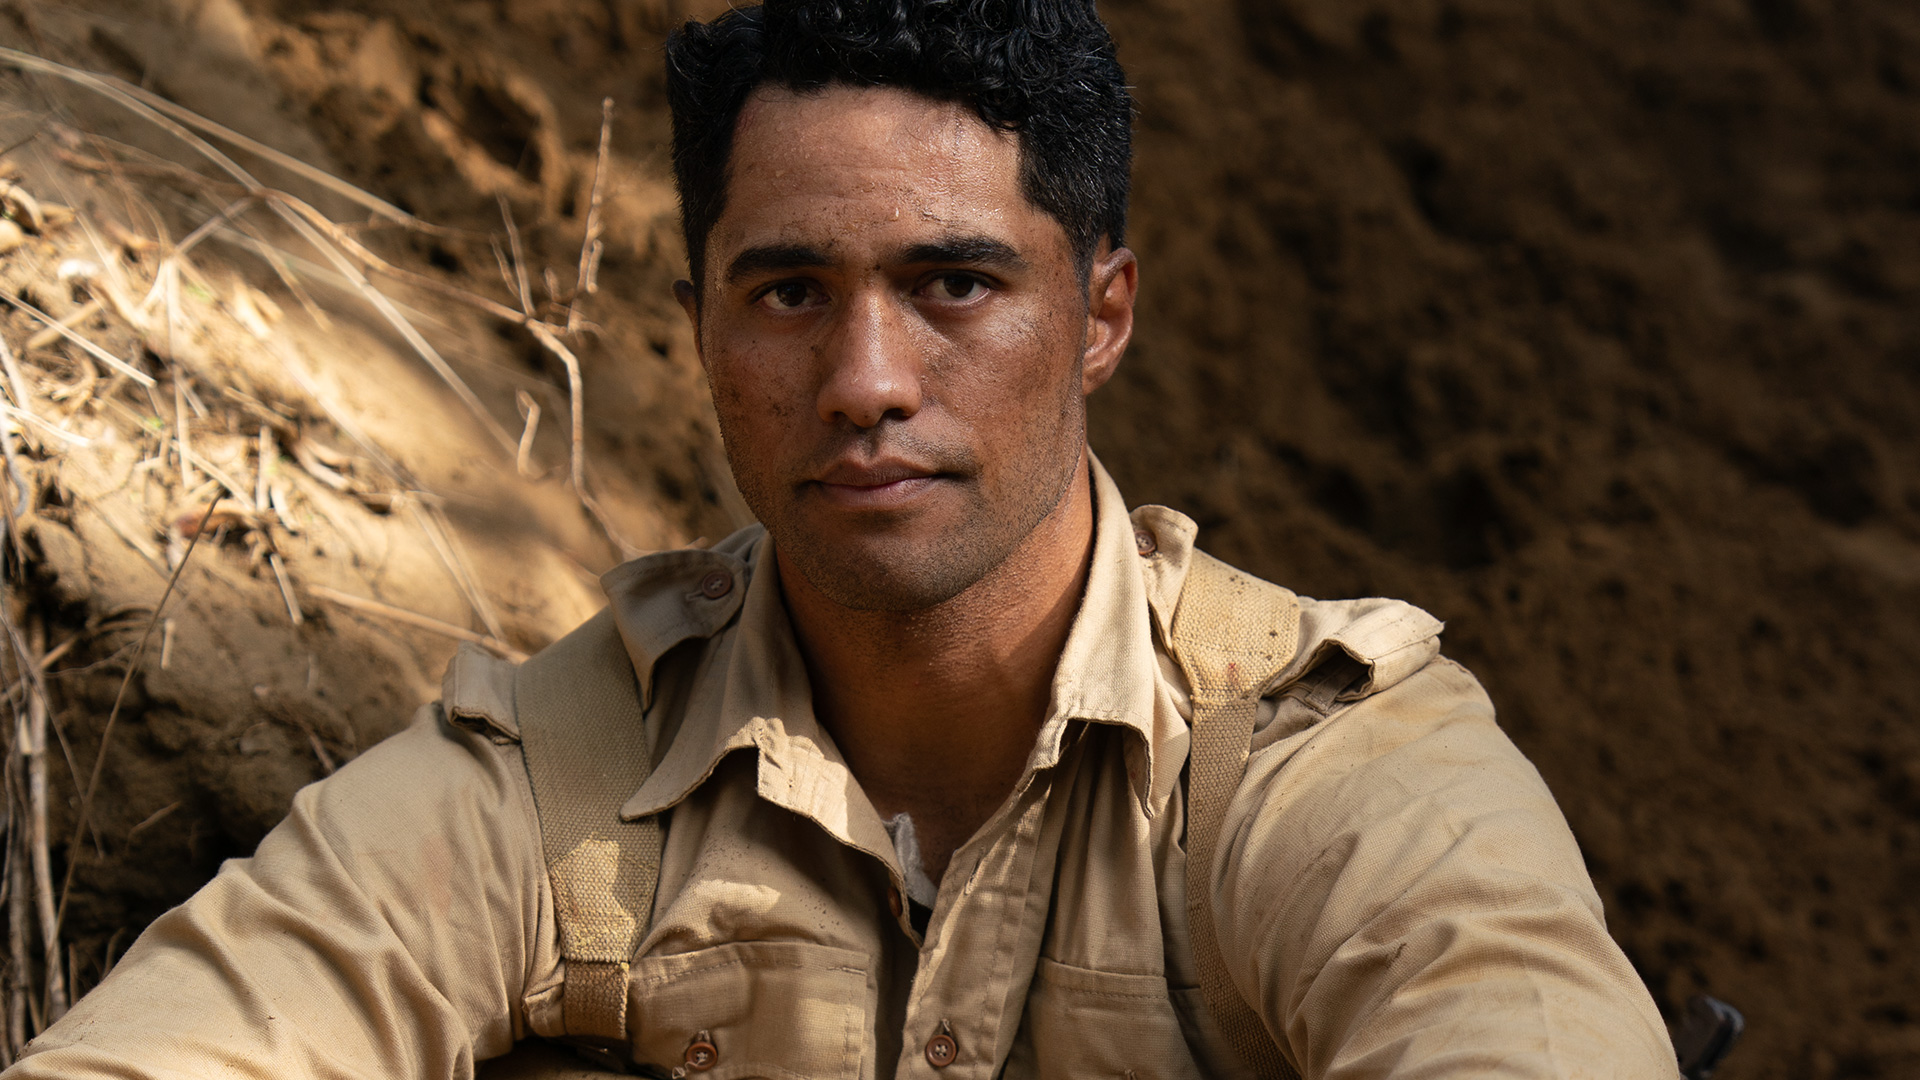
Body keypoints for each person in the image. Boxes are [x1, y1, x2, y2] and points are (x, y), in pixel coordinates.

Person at [7, 1, 1680, 1077]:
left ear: (1101, 313)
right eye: (790, 293)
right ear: (700, 331)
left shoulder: (1326, 767)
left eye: (955, 285)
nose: (865, 383)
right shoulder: (561, 781)